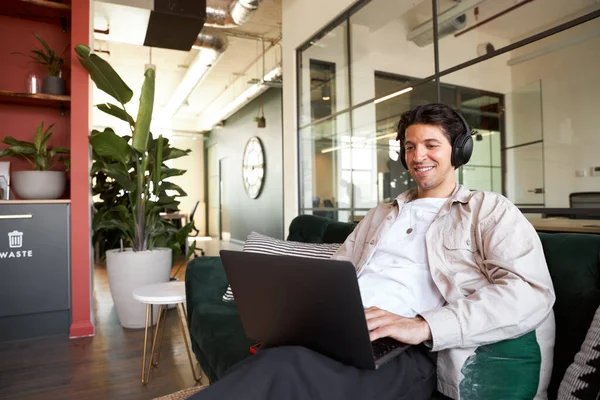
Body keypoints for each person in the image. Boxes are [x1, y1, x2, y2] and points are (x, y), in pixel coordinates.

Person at [190, 103, 556, 400]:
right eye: (410, 147)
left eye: (432, 145)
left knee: (281, 370)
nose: (418, 156)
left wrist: (423, 326)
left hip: (403, 349)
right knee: (273, 362)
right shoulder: (382, 213)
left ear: (459, 150)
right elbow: (334, 272)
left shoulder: (488, 210)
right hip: (341, 330)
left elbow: (530, 292)